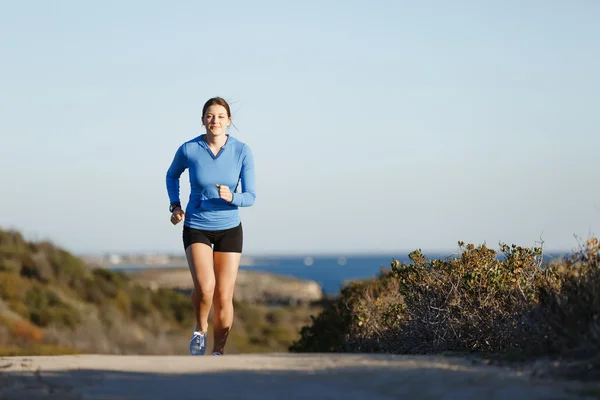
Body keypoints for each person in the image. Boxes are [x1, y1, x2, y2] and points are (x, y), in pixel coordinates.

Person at [165, 97, 256, 356]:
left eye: (220, 116)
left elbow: (250, 196)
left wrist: (232, 197)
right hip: (197, 225)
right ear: (203, 119)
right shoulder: (189, 149)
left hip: (229, 228)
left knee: (224, 296)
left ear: (229, 121)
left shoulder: (242, 151)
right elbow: (171, 175)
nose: (215, 120)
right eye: (210, 115)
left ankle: (218, 353)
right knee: (206, 287)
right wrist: (175, 205)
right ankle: (201, 327)